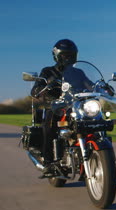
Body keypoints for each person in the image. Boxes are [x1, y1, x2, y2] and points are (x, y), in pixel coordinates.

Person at [31, 39, 80, 173]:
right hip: (55, 107)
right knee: (49, 126)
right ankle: (48, 162)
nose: (68, 58)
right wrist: (44, 88)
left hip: (75, 107)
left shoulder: (78, 73)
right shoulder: (47, 71)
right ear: (57, 56)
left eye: (71, 55)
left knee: (96, 121)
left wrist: (104, 87)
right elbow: (36, 89)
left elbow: (89, 84)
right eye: (65, 55)